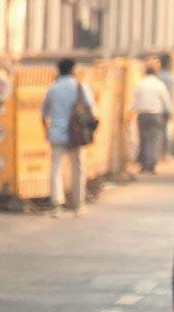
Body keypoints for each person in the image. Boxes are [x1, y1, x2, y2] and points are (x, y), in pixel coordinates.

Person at [42, 58, 96, 215]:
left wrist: (46, 130)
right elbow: (91, 109)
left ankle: (56, 205)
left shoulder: (53, 89)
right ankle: (78, 204)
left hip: (57, 132)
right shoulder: (81, 87)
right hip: (77, 134)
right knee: (78, 168)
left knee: (56, 168)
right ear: (73, 69)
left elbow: (44, 112)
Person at [133, 65, 173, 175]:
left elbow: (135, 101)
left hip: (142, 115)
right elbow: (166, 100)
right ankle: (151, 165)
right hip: (156, 115)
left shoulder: (140, 84)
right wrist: (169, 112)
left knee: (143, 139)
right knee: (154, 140)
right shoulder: (159, 85)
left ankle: (144, 165)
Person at [155, 54, 174, 158]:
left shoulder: (157, 76)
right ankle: (166, 153)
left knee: (157, 132)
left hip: (156, 108)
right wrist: (170, 109)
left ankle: (158, 153)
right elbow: (171, 95)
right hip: (167, 107)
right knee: (167, 131)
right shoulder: (171, 77)